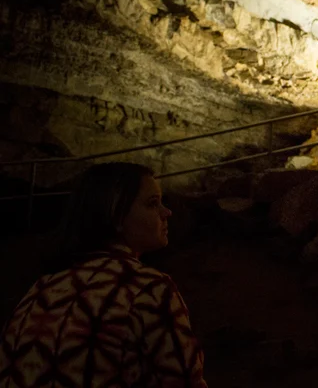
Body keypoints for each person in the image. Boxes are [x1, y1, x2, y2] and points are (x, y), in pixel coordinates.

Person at [0, 162, 208, 387]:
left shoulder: (42, 288)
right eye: (152, 203)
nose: (166, 212)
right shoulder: (147, 289)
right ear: (116, 214)